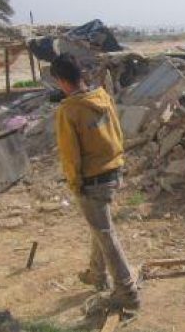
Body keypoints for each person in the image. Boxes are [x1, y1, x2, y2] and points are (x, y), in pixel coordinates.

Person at [50, 53, 140, 309]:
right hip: (113, 171)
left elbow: (70, 154)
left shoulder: (69, 110)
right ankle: (96, 274)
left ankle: (126, 291)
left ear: (60, 80)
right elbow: (117, 133)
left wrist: (75, 183)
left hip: (92, 180)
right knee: (100, 227)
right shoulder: (102, 97)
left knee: (105, 233)